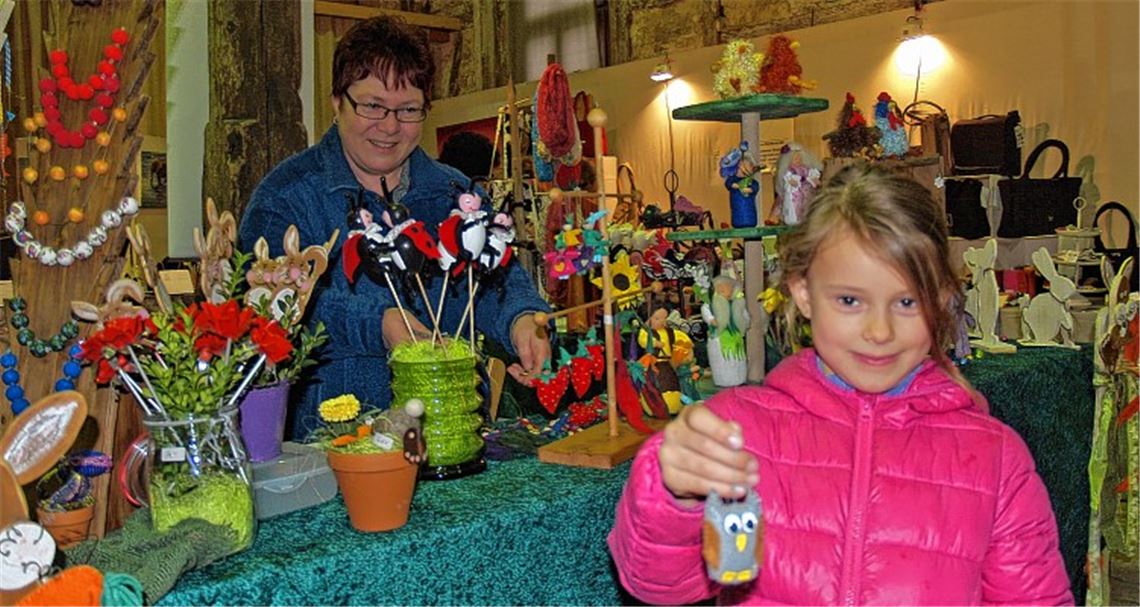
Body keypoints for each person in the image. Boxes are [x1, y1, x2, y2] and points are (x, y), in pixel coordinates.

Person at [608, 165, 1073, 605]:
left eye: (907, 302)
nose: (879, 331)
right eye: (850, 300)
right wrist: (673, 494)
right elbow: (658, 584)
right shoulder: (737, 431)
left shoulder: (996, 460)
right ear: (803, 293)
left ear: (943, 300)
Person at [239, 16, 550, 439]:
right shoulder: (286, 198)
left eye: (407, 110)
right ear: (336, 100)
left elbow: (495, 278)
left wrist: (521, 320)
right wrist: (378, 322)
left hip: (452, 432)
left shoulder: (454, 193)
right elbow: (266, 310)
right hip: (337, 446)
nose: (389, 126)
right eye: (372, 106)